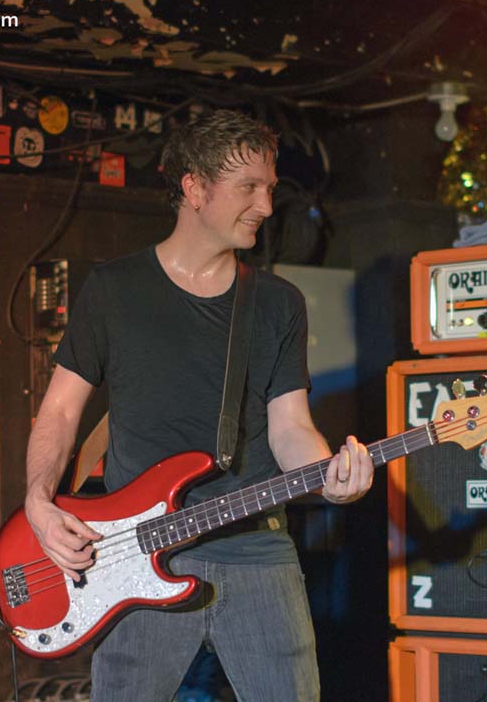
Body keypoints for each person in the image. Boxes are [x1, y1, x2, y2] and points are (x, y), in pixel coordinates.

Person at [23, 108, 374, 701]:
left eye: (268, 187)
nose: (265, 205)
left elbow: (291, 428)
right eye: (248, 188)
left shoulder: (277, 303)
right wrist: (37, 501)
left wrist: (328, 480)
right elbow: (59, 411)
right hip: (135, 554)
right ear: (194, 187)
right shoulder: (114, 290)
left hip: (258, 550)